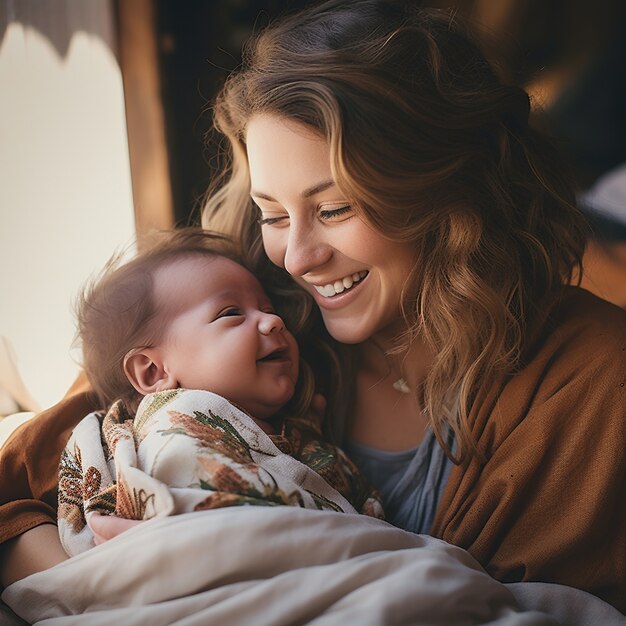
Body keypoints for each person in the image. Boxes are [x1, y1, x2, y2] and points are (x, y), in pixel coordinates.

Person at [0, 0, 624, 614]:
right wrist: (112, 578)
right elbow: (13, 487)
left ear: (447, 189)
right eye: (273, 213)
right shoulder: (230, 310)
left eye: (334, 209)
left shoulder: (592, 384)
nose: (295, 258)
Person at [57, 228, 382, 556]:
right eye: (231, 313)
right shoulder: (171, 423)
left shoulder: (299, 428)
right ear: (154, 372)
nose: (273, 322)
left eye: (268, 308)